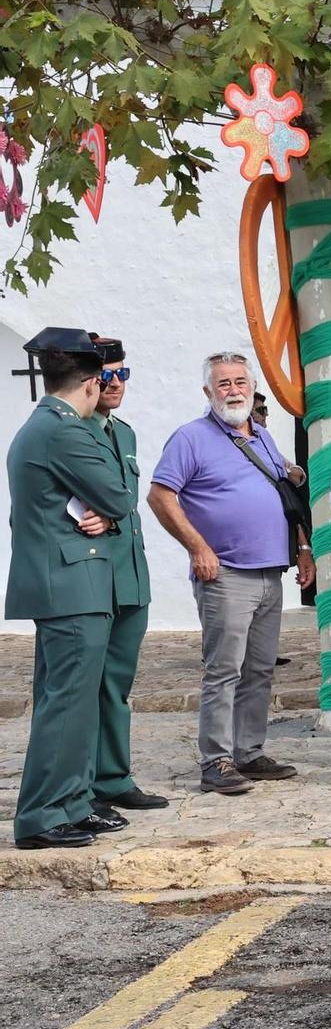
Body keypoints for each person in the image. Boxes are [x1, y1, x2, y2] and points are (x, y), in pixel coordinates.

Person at [149, 351, 312, 793]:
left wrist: (302, 547)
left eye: (240, 382)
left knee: (259, 668)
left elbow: (283, 496)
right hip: (225, 573)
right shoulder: (191, 438)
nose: (234, 390)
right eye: (224, 384)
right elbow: (161, 497)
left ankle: (250, 752)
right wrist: (197, 547)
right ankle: (215, 760)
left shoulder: (260, 436)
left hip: (270, 571)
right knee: (224, 670)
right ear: (208, 391)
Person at [6, 330, 140, 848]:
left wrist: (99, 514)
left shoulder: (46, 426)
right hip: (71, 583)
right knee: (66, 704)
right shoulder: (64, 431)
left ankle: (73, 802)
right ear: (89, 384)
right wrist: (105, 510)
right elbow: (117, 494)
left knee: (74, 702)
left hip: (71, 580)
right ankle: (41, 815)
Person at [84, 338, 162, 813]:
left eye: (122, 374)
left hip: (129, 574)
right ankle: (82, 785)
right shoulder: (73, 433)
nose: (115, 384)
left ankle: (113, 777)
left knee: (117, 683)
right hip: (92, 576)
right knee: (86, 687)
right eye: (106, 376)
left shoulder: (124, 433)